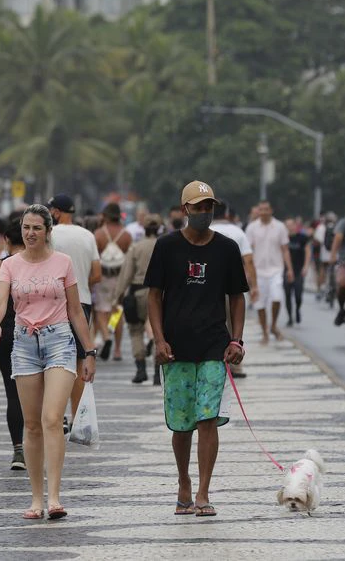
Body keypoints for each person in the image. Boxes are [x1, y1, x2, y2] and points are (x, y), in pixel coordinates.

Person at [146, 181, 248, 518]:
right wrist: (159, 340)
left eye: (209, 207)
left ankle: (203, 491)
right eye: (198, 207)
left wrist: (236, 340)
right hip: (176, 348)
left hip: (213, 346)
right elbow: (154, 296)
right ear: (184, 209)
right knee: (181, 423)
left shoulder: (227, 249)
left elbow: (237, 297)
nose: (205, 213)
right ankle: (183, 482)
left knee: (207, 418)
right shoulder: (166, 247)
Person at [0, 205, 96, 520]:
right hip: (23, 343)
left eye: (37, 228)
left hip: (60, 341)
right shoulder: (10, 266)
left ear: (48, 231)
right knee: (32, 423)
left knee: (52, 418)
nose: (31, 233)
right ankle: (36, 498)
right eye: (26, 227)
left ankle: (55, 497)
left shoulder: (63, 263)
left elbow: (76, 311)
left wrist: (88, 351)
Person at [47, 194, 101, 423]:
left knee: (53, 360)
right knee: (79, 362)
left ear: (56, 212)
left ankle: (55, 417)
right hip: (83, 303)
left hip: (52, 303)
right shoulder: (88, 235)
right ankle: (77, 415)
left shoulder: (49, 235)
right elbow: (97, 274)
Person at [0, 212, 27, 471]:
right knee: (37, 393)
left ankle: (18, 449)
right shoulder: (37, 264)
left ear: (6, 240)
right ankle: (37, 442)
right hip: (33, 333)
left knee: (13, 393)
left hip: (5, 334)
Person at [209, 201, 258, 379]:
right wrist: (254, 286)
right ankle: (234, 366)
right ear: (228, 214)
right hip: (231, 288)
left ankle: (212, 360)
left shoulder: (204, 232)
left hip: (206, 289)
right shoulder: (238, 232)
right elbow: (249, 260)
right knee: (233, 327)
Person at [118, 214, 161, 383]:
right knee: (159, 331)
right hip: (159, 294)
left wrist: (118, 295)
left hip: (137, 293)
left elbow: (126, 273)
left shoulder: (136, 248)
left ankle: (141, 369)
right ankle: (158, 372)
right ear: (160, 228)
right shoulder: (165, 245)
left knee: (135, 330)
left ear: (144, 228)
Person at [247, 201, 293, 344]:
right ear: (258, 211)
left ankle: (273, 324)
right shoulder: (252, 228)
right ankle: (265, 332)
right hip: (258, 271)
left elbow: (285, 249)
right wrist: (247, 272)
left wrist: (290, 269)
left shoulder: (280, 227)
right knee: (259, 304)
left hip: (276, 270)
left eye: (266, 209)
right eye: (261, 210)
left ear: (271, 210)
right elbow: (248, 252)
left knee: (277, 298)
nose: (264, 212)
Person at [93, 203, 131, 362]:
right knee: (117, 311)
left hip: (103, 277)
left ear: (105, 216)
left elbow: (95, 258)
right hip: (120, 278)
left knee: (101, 310)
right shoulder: (126, 235)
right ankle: (117, 350)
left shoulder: (99, 234)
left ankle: (106, 336)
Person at [284, 218, 311, 327]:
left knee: (298, 294)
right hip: (286, 270)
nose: (289, 227)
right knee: (287, 294)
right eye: (287, 225)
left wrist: (306, 267)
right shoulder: (284, 239)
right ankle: (290, 317)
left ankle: (298, 309)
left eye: (291, 225)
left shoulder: (303, 238)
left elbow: (308, 252)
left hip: (299, 269)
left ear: (295, 225)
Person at [312, 213, 336, 298]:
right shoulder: (337, 227)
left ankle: (319, 289)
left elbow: (317, 240)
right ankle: (333, 288)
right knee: (335, 271)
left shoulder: (321, 227)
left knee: (322, 270)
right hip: (336, 254)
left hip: (324, 254)